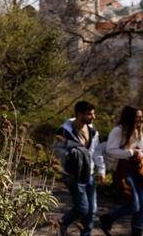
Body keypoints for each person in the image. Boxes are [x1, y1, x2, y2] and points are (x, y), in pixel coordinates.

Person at [99, 106, 143, 236]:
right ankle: (108, 219)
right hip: (122, 170)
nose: (141, 120)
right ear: (129, 118)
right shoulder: (118, 131)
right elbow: (110, 150)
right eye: (138, 117)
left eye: (141, 117)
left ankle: (137, 231)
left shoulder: (138, 130)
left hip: (137, 170)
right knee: (133, 205)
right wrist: (131, 152)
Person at [53, 100, 106, 236]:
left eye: (93, 114)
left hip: (89, 174)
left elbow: (96, 152)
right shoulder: (64, 131)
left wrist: (101, 170)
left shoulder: (93, 132)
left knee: (92, 210)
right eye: (89, 114)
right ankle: (63, 222)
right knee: (83, 208)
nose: (93, 117)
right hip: (72, 175)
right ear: (79, 114)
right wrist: (70, 155)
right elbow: (56, 149)